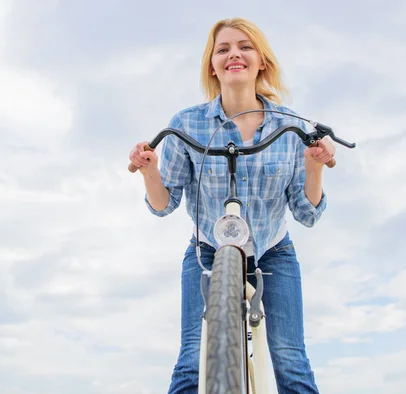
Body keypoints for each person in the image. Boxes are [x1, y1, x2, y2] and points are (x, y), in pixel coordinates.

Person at [128, 18, 335, 394]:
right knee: (192, 357)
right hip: (208, 247)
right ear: (212, 64)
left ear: (261, 61)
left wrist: (313, 168)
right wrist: (150, 171)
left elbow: (307, 213)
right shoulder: (186, 123)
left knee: (290, 357)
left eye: (244, 46)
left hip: (273, 250)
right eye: (223, 49)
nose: (233, 54)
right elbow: (163, 205)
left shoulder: (290, 125)